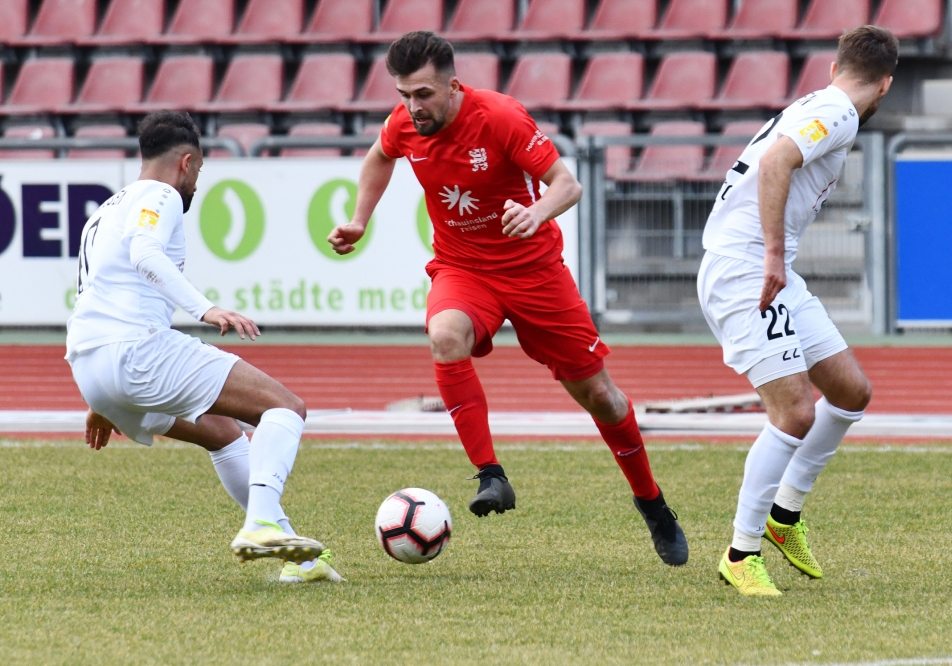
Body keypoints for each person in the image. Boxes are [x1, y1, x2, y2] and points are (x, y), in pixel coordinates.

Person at [328, 31, 687, 566]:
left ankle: (652, 502)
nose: (412, 106)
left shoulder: (499, 117)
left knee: (603, 399)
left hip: (533, 271)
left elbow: (567, 184)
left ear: (453, 85)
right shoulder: (404, 123)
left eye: (423, 94)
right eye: (404, 94)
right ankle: (491, 475)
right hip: (462, 267)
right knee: (444, 333)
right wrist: (360, 219)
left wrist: (536, 212)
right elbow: (380, 157)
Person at [66, 110, 341, 584]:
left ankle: (300, 561)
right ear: (187, 163)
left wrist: (102, 399)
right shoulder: (162, 194)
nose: (195, 185)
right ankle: (262, 523)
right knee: (285, 408)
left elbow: (97, 289)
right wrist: (206, 309)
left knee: (223, 433)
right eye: (200, 174)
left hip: (91, 367)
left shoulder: (106, 211)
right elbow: (146, 254)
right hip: (136, 352)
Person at [698, 26, 897, 595]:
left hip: (765, 267)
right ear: (886, 83)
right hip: (746, 268)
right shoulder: (837, 112)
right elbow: (775, 163)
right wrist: (774, 256)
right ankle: (742, 552)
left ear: (836, 67)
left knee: (851, 392)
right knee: (795, 413)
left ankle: (785, 518)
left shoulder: (824, 102)